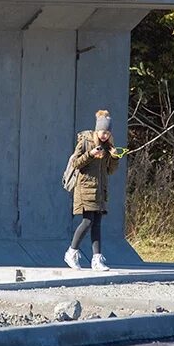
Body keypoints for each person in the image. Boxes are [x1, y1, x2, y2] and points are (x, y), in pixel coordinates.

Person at [65, 109, 121, 271]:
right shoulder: (85, 142)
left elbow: (110, 170)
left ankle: (97, 259)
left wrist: (114, 157)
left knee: (97, 224)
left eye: (108, 133)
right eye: (103, 132)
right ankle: (72, 252)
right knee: (87, 221)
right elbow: (76, 163)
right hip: (85, 188)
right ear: (97, 130)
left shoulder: (108, 146)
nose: (105, 135)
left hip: (100, 191)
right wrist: (90, 154)